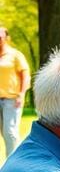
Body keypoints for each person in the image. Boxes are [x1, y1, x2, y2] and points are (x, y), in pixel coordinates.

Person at [0, 26, 30, 160]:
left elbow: (25, 75)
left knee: (10, 132)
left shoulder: (16, 55)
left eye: (0, 37)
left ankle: (12, 164)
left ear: (7, 38)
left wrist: (21, 94)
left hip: (11, 99)